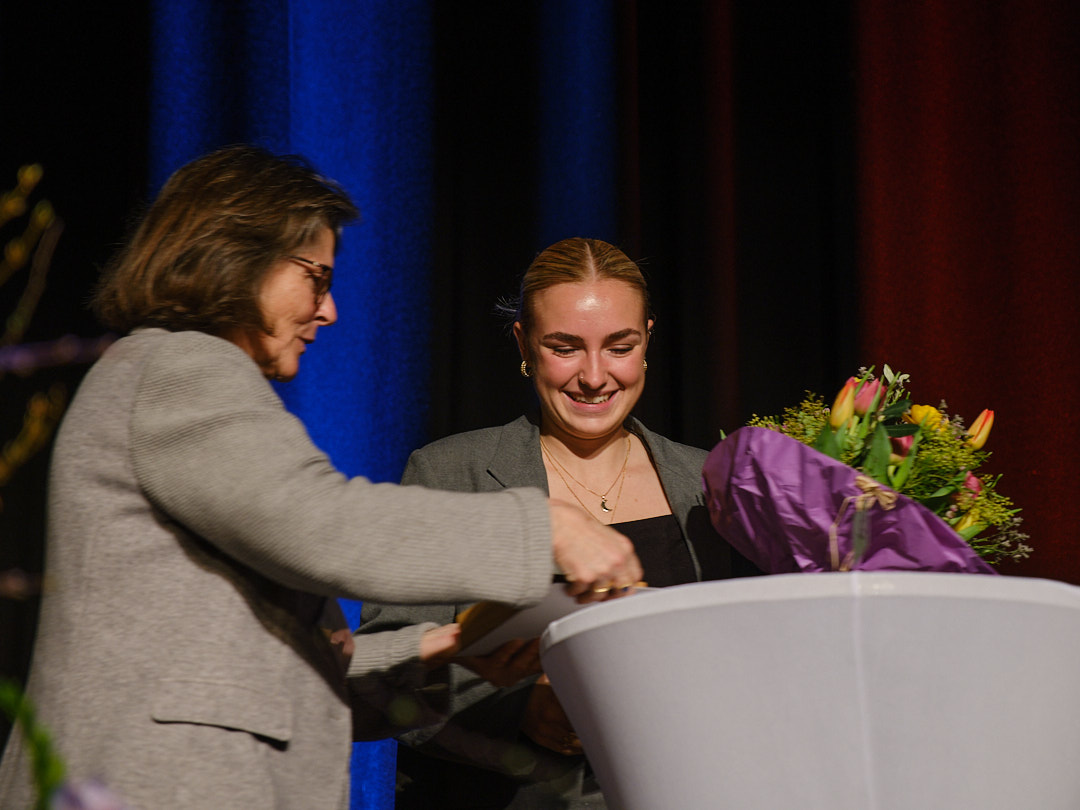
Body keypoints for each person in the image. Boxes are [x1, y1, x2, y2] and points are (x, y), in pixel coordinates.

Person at [0, 149, 641, 810]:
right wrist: (546, 528)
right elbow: (324, 524)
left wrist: (447, 648)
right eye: (316, 278)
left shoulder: (180, 381)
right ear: (238, 255)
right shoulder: (180, 368)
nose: (329, 310)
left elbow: (294, 666)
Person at [359, 237, 760, 809]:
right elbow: (387, 668)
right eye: (565, 348)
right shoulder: (452, 472)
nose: (595, 377)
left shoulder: (707, 482)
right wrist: (520, 710)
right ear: (523, 343)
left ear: (648, 339)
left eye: (619, 346)